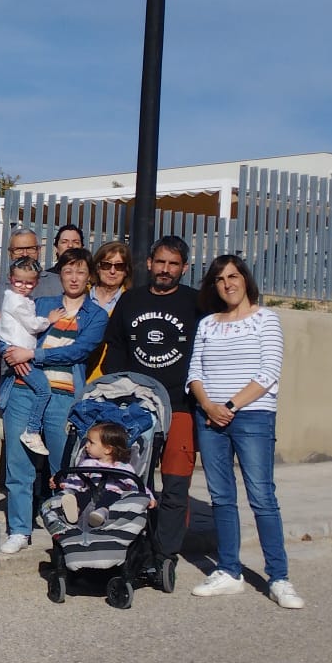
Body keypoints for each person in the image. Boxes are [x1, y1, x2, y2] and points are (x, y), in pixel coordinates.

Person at [186, 255, 301, 609]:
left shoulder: (266, 319)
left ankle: (279, 577)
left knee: (262, 497)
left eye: (233, 277)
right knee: (221, 497)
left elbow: (268, 373)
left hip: (251, 418)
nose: (227, 284)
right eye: (220, 279)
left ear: (245, 280)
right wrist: (209, 407)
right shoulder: (208, 323)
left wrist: (231, 407)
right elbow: (194, 372)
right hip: (211, 419)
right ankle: (229, 571)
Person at [98, 235, 201, 586]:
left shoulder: (195, 303)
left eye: (173, 264)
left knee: (174, 483)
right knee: (131, 481)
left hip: (181, 406)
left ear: (184, 268)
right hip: (137, 408)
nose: (166, 270)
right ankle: (129, 545)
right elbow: (116, 351)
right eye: (160, 262)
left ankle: (165, 553)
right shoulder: (131, 300)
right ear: (149, 264)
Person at [1, 248, 107, 551]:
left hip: (63, 398)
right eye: (68, 271)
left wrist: (34, 354)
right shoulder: (41, 303)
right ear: (60, 274)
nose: (74, 277)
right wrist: (10, 353)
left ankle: (65, 525)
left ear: (89, 277)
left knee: (64, 467)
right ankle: (19, 529)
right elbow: (6, 329)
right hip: (24, 390)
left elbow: (80, 350)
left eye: (80, 272)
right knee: (18, 465)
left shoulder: (95, 315)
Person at [45, 421, 141, 527]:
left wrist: (148, 497)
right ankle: (74, 511)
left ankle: (101, 512)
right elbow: (78, 480)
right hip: (90, 493)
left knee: (111, 497)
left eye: (91, 442)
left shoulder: (124, 467)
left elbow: (135, 485)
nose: (86, 445)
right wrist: (62, 483)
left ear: (108, 449)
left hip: (114, 495)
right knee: (81, 495)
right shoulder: (88, 463)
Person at [33, 224, 85, 302]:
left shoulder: (91, 280)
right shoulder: (41, 280)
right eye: (64, 242)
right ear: (56, 248)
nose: (70, 245)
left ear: (82, 247)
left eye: (76, 242)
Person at [89, 240, 132, 318]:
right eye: (106, 265)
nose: (112, 271)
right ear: (97, 268)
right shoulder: (82, 294)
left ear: (126, 271)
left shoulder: (131, 302)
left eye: (119, 266)